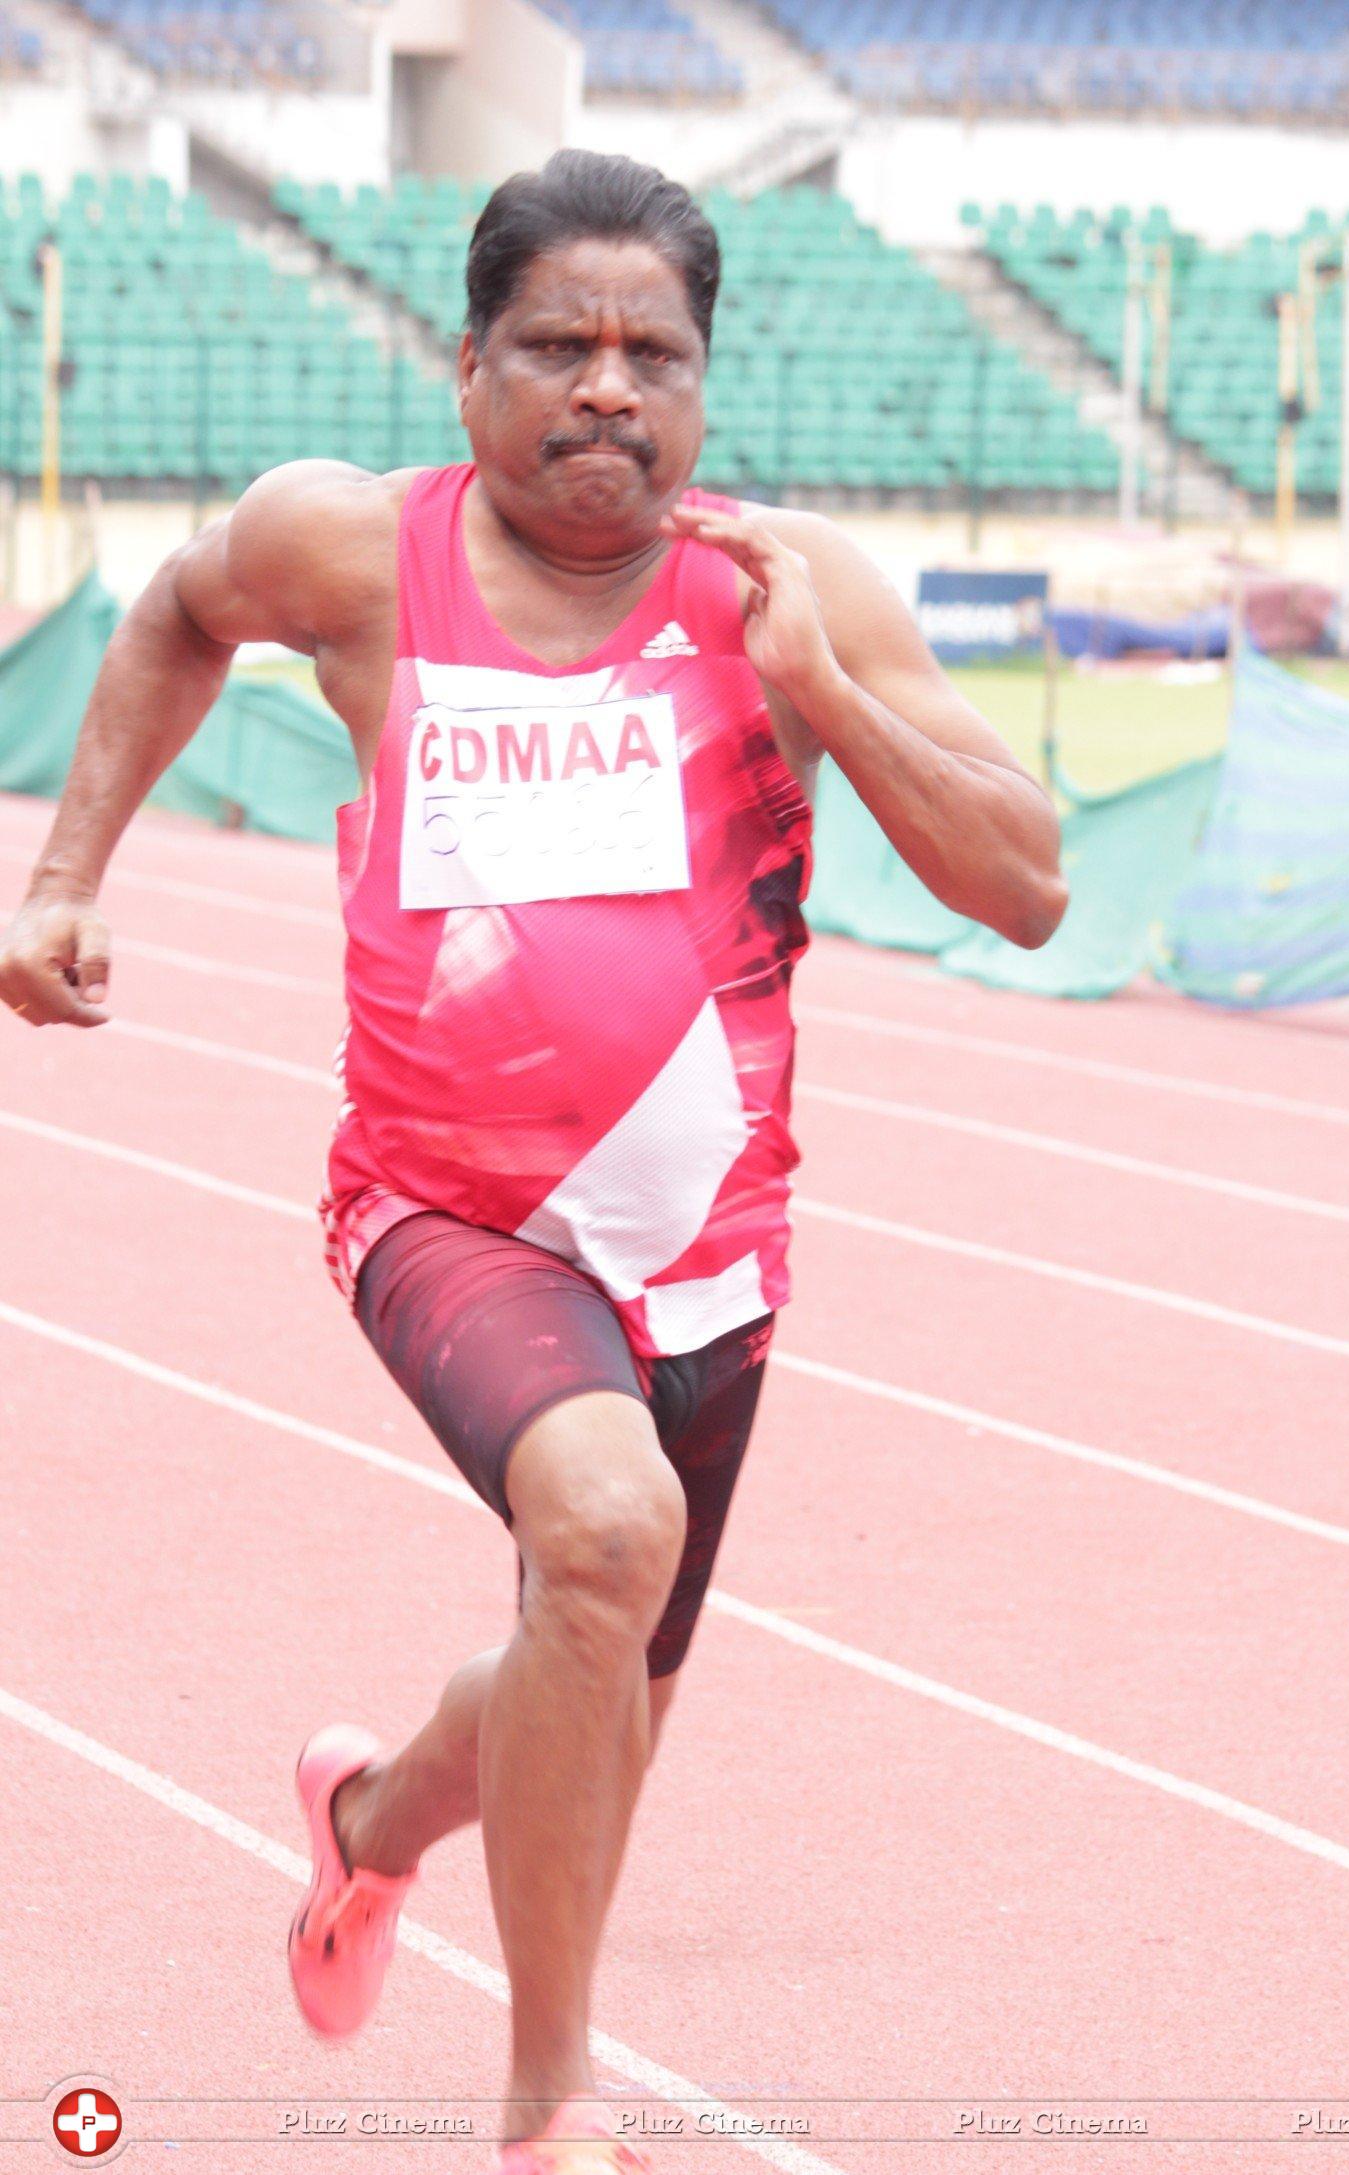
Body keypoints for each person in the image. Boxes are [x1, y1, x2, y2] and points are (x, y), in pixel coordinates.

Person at [0, 150, 1067, 2172]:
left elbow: (1021, 884)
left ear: (704, 385)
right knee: (599, 1532)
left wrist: (821, 695)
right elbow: (170, 611)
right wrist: (61, 879)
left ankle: (369, 1816)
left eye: (648, 352)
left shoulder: (789, 588)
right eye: (554, 346)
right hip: (444, 1207)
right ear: (465, 368)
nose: (604, 389)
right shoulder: (347, 549)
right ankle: (549, 2105)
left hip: (706, 1250)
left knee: (596, 1678)